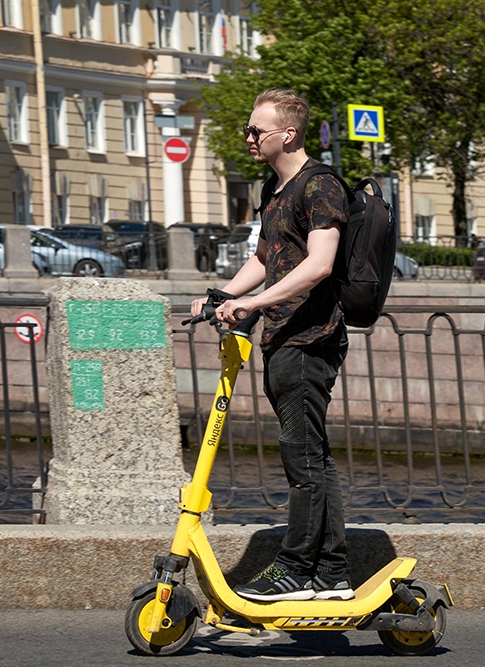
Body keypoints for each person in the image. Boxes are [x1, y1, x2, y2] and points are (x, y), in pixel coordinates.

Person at [190, 88, 353, 602]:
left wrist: (256, 304)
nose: (248, 137)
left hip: (311, 337)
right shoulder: (275, 190)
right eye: (248, 128)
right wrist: (224, 294)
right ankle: (331, 573)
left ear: (289, 133)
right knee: (312, 457)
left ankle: (297, 570)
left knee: (302, 459)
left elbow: (320, 263)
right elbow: (267, 257)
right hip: (282, 335)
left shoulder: (320, 185)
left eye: (257, 130)